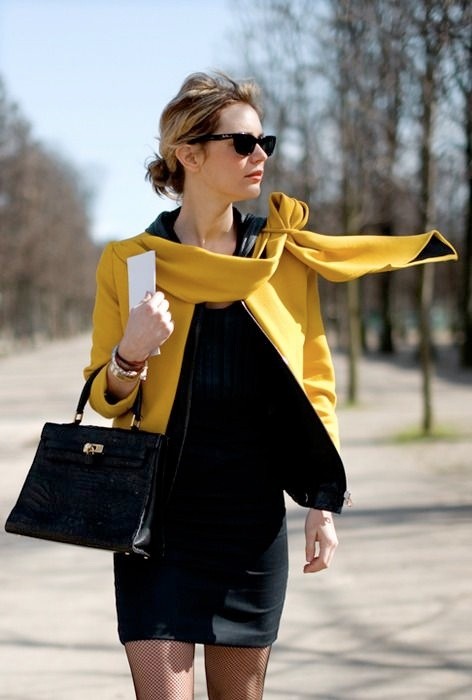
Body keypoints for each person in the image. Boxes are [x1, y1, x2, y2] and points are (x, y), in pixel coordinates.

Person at [85, 72, 457, 700]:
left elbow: (315, 382)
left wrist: (322, 502)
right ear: (189, 154)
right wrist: (131, 352)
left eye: (265, 142)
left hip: (249, 521)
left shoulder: (278, 258)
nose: (260, 155)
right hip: (157, 519)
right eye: (242, 143)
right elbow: (104, 396)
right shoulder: (134, 262)